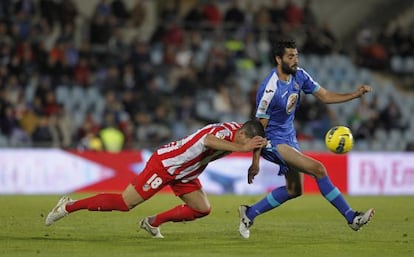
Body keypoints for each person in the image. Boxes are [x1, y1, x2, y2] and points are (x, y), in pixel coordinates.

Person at [238, 39, 375, 239]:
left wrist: (355, 94)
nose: (295, 60)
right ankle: (351, 217)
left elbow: (325, 96)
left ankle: (249, 213)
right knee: (319, 169)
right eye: (290, 56)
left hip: (289, 138)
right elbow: (259, 128)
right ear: (278, 59)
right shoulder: (270, 89)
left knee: (294, 190)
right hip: (271, 141)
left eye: (296, 56)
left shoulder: (299, 76)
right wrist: (255, 161)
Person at [45, 120, 267, 238]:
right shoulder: (223, 133)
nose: (247, 149)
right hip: (165, 165)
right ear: (242, 135)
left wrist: (254, 162)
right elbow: (208, 140)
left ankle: (152, 223)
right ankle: (69, 206)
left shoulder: (241, 133)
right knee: (125, 203)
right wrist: (241, 147)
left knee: (202, 208)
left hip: (185, 174)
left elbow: (255, 143)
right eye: (247, 143)